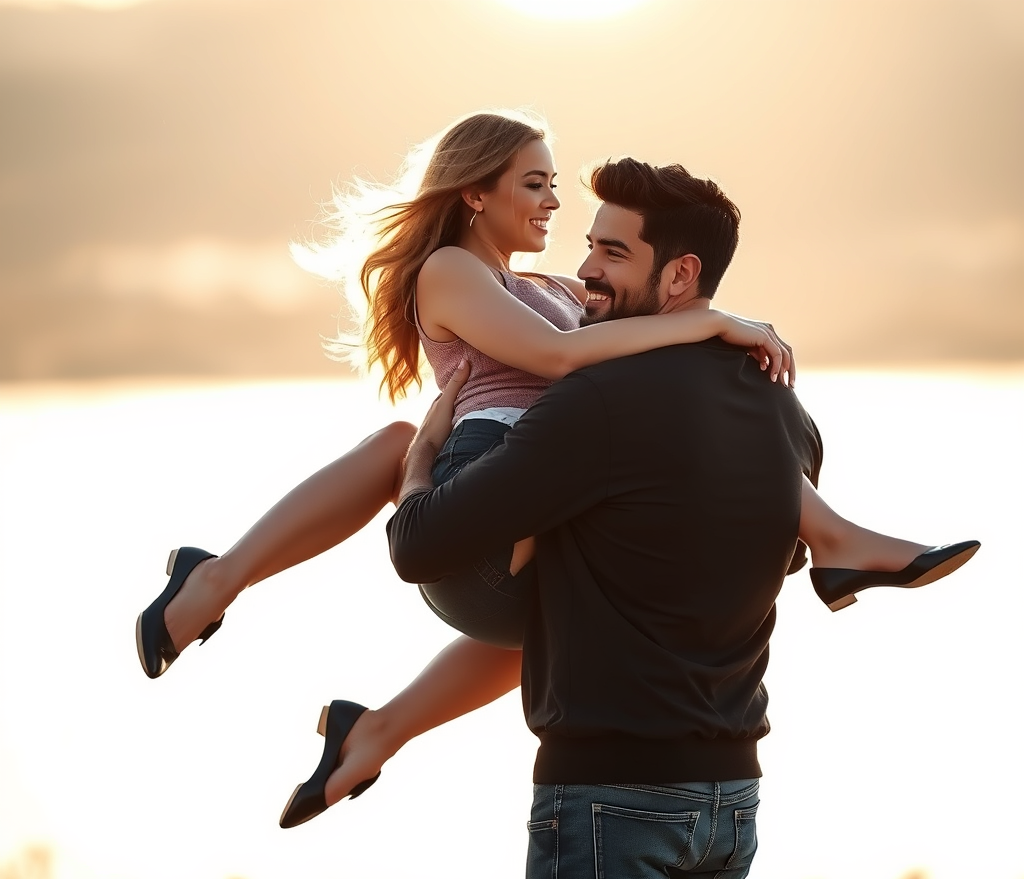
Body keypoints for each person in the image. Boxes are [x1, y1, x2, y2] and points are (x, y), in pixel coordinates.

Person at [133, 112, 977, 821]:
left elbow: (616, 350)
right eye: (534, 183)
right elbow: (555, 359)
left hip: (554, 487)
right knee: (401, 443)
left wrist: (711, 334)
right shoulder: (451, 271)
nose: (552, 200)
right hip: (495, 471)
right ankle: (212, 581)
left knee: (562, 616)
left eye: (553, 185)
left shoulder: (555, 288)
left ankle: (371, 734)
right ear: (475, 193)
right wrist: (715, 323)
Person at [384, 157, 976, 879]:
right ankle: (857, 548)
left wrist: (416, 458)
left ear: (681, 274)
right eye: (588, 245)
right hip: (729, 793)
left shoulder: (594, 406)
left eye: (612, 253)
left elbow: (419, 545)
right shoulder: (780, 408)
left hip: (607, 793)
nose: (585, 268)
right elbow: (760, 555)